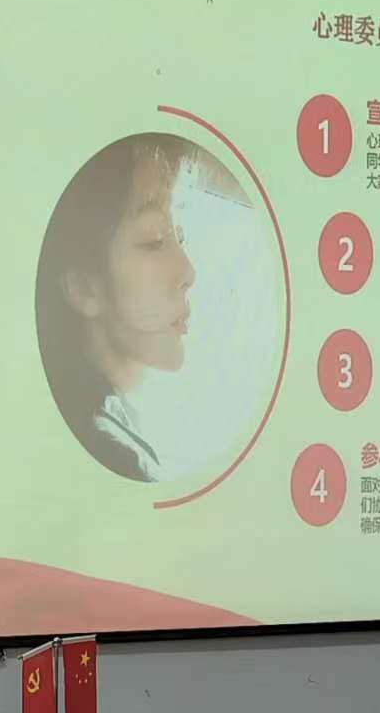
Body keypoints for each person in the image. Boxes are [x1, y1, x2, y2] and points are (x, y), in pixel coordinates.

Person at [35, 133, 247, 481]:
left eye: (180, 237)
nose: (188, 273)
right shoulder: (116, 451)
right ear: (84, 285)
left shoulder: (127, 425)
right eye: (154, 241)